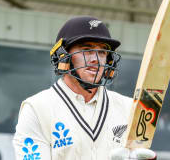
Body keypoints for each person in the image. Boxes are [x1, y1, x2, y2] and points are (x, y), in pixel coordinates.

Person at [13, 16, 156, 160]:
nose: (96, 59)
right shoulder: (37, 109)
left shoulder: (130, 108)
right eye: (87, 49)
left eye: (102, 52)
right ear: (63, 56)